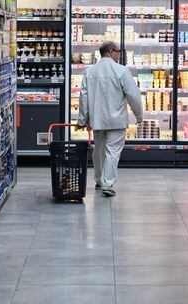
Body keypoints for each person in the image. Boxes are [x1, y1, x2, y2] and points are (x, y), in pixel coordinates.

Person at [77, 41, 143, 197]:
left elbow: (83, 97)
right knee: (112, 152)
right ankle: (108, 184)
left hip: (97, 119)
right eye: (119, 52)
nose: (120, 55)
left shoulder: (90, 71)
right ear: (111, 52)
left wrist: (82, 119)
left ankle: (99, 180)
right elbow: (133, 95)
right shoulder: (121, 70)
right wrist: (139, 115)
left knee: (98, 151)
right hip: (117, 120)